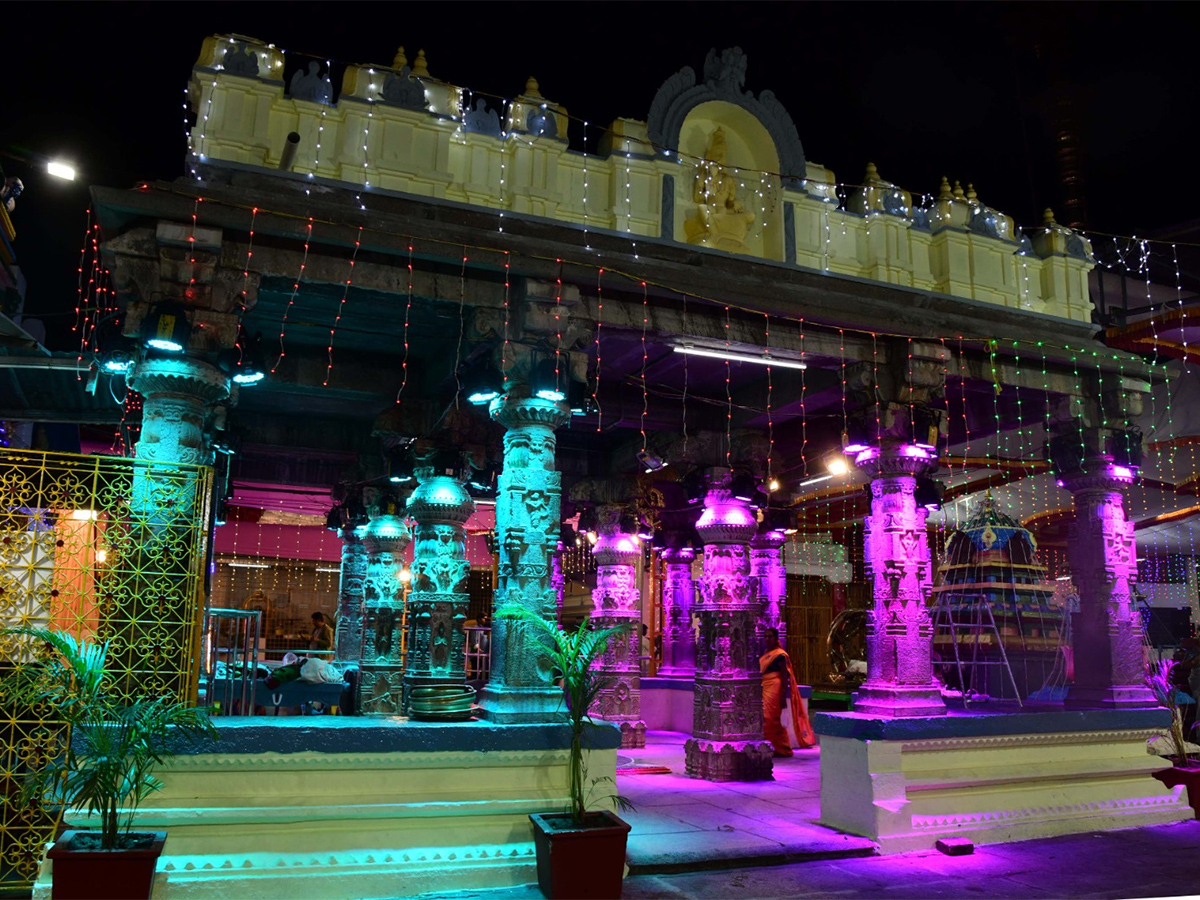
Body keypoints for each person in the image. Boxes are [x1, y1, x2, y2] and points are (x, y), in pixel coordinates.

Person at [759, 628, 815, 757]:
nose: (767, 639)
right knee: (767, 718)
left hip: (775, 687)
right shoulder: (765, 654)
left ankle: (781, 748)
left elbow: (785, 677)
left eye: (770, 637)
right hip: (765, 687)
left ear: (776, 638)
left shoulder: (780, 655)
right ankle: (776, 747)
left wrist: (783, 696)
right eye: (765, 636)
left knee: (770, 718)